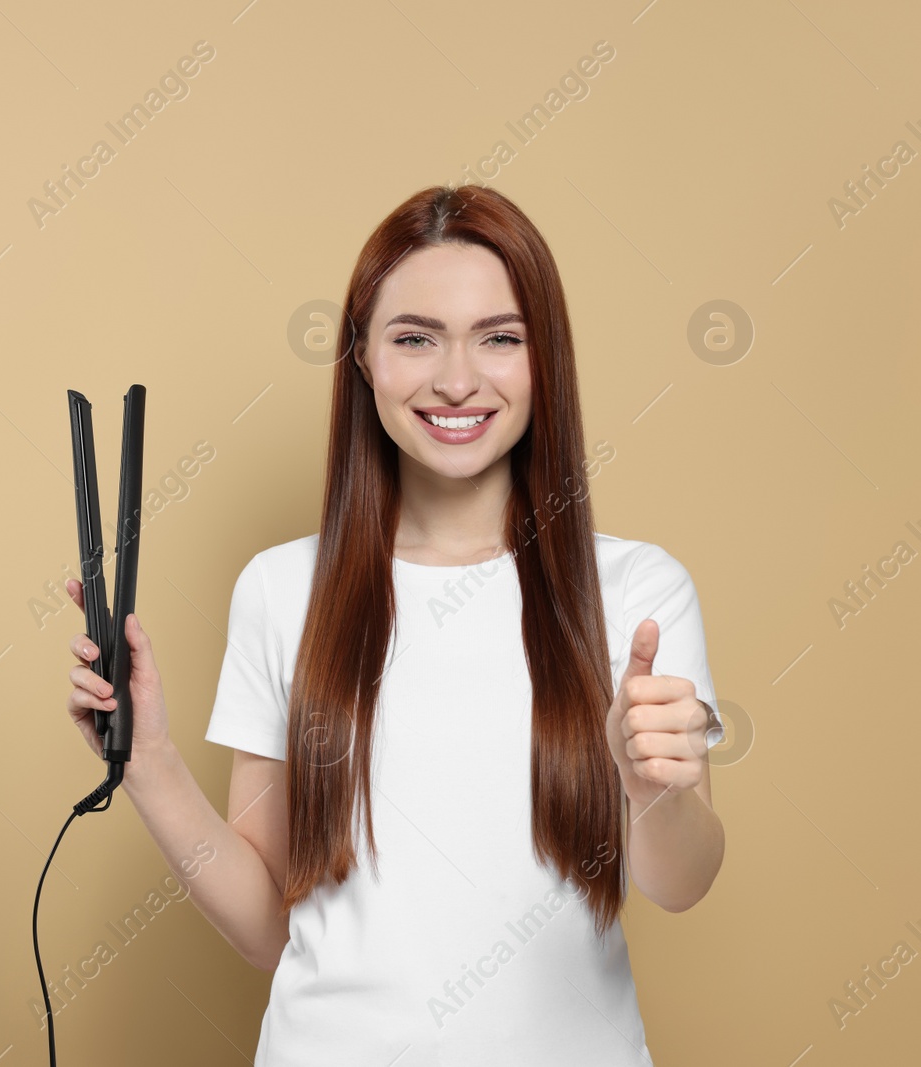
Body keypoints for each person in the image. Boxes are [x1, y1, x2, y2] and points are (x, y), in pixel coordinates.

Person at [62, 184, 726, 1065]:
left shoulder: (638, 588)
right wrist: (148, 766)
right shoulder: (281, 588)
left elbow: (680, 883)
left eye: (500, 337)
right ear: (365, 360)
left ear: (546, 361)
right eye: (415, 338)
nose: (457, 379)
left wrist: (656, 793)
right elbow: (269, 928)